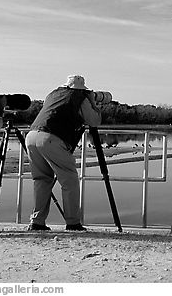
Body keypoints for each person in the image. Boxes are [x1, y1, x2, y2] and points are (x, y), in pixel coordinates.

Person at [26, 75, 101, 231]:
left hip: (32, 136)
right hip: (51, 138)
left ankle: (37, 222)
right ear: (82, 90)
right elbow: (94, 121)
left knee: (41, 180)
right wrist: (93, 103)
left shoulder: (53, 94)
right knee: (70, 181)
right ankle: (73, 223)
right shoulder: (79, 98)